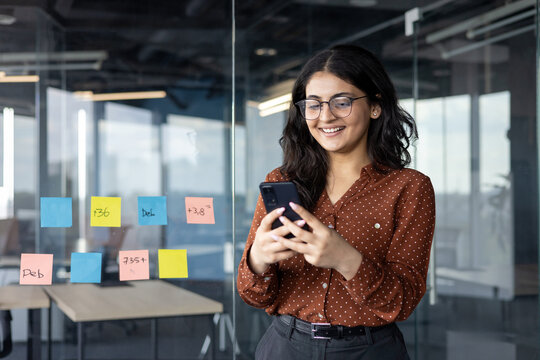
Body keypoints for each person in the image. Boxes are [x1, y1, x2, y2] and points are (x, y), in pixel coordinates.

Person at [237, 44, 435, 360]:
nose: (325, 117)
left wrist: (346, 259)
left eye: (341, 102)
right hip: (284, 345)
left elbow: (404, 300)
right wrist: (258, 259)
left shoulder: (409, 188)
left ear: (375, 106)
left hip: (369, 350)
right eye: (313, 105)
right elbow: (253, 295)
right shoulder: (281, 181)